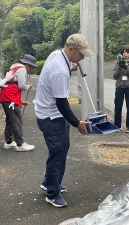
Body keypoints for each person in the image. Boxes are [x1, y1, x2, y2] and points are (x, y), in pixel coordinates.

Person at [34, 33, 93, 208]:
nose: (82, 57)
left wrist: (71, 65)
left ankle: (48, 183)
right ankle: (52, 193)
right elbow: (62, 103)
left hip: (47, 112)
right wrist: (77, 123)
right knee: (58, 153)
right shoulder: (60, 69)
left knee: (60, 149)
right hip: (52, 116)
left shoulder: (56, 54)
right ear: (71, 49)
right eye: (81, 53)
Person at [0, 54, 37, 152]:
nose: (31, 69)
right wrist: (28, 86)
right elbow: (21, 86)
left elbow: (12, 84)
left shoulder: (15, 68)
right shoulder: (22, 69)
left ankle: (9, 142)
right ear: (29, 65)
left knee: (10, 119)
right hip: (10, 97)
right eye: (32, 67)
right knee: (17, 120)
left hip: (6, 97)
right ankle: (20, 144)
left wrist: (20, 102)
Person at [113, 45, 129, 133]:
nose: (125, 54)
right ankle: (116, 126)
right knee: (117, 107)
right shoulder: (118, 62)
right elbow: (115, 76)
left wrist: (126, 69)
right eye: (124, 52)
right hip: (120, 87)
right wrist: (120, 67)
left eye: (127, 52)